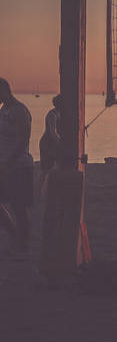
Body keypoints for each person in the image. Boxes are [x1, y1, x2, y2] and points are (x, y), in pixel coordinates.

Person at [0, 78, 34, 255]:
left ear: (4, 90)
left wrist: (8, 163)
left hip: (19, 166)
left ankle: (22, 245)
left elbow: (23, 140)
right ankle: (16, 236)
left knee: (18, 207)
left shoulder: (20, 110)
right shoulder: (3, 110)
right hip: (5, 166)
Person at [38, 94, 62, 198]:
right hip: (47, 144)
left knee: (53, 168)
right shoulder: (52, 114)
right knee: (45, 169)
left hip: (52, 143)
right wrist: (60, 144)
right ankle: (39, 193)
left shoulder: (59, 113)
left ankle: (48, 191)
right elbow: (52, 132)